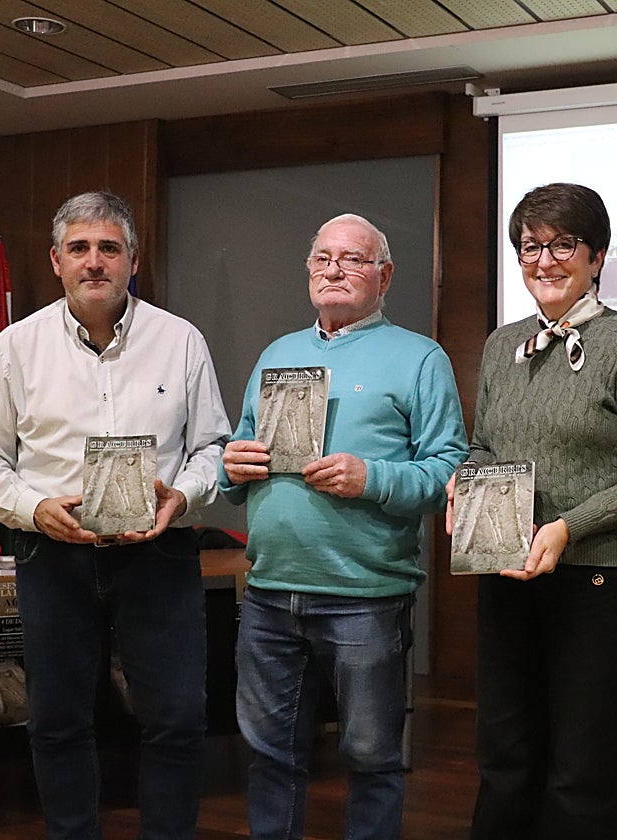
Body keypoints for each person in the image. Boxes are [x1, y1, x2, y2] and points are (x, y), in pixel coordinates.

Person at [0, 191, 230, 840]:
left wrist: (183, 496)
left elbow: (213, 449)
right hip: (53, 557)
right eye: (79, 248)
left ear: (132, 260)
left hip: (157, 557)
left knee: (176, 719)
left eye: (109, 248)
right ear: (56, 261)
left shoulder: (180, 340)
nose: (95, 262)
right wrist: (34, 507)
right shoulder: (15, 348)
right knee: (57, 721)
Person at [219, 213, 467, 840]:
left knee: (371, 758)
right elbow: (239, 454)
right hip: (270, 594)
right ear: (308, 271)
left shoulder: (420, 357)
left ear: (384, 276)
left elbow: (447, 471)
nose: (334, 269)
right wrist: (231, 466)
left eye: (353, 259)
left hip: (366, 600)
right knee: (271, 755)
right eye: (323, 258)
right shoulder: (278, 355)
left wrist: (372, 478)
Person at [450, 182, 617, 839]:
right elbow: (484, 446)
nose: (544, 261)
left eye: (562, 245)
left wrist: (568, 527)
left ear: (597, 256)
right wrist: (464, 483)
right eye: (529, 247)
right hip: (505, 577)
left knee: (583, 770)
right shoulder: (501, 346)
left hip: (598, 583)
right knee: (505, 758)